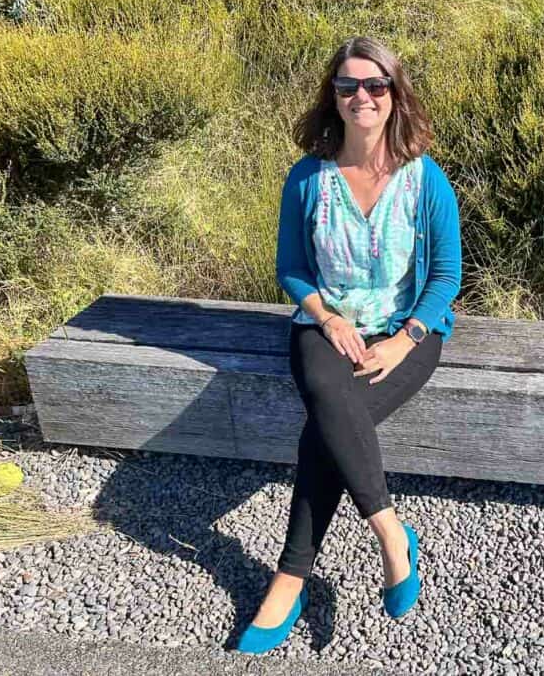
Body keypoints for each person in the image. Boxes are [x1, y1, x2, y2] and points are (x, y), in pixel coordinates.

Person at [236, 36, 462, 654]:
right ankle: (391, 534)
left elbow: (447, 277)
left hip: (405, 331)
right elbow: (291, 268)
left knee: (328, 427)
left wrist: (403, 340)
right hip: (323, 327)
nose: (361, 96)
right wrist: (326, 317)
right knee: (331, 405)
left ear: (394, 95)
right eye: (347, 86)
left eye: (375, 85)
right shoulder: (308, 177)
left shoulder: (425, 180)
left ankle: (290, 577)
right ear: (333, 98)